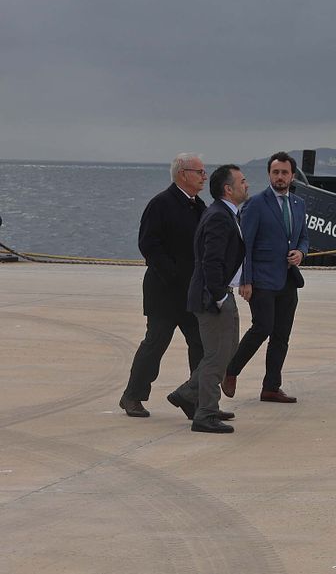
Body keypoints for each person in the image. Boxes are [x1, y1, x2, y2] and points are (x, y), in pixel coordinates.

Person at [117, 154, 208, 418]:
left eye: (205, 172)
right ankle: (132, 396)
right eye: (200, 172)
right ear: (183, 174)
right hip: (165, 290)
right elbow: (148, 244)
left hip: (191, 290)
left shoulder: (199, 206)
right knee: (156, 343)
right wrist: (173, 274)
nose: (204, 176)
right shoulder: (161, 204)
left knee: (201, 345)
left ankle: (196, 399)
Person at [168, 164, 248, 433]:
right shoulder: (218, 216)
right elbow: (211, 261)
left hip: (221, 292)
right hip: (212, 297)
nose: (246, 185)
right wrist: (218, 298)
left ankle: (189, 394)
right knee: (217, 356)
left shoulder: (227, 214)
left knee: (226, 352)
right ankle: (206, 413)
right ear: (228, 189)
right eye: (242, 181)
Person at [224, 152, 309, 404]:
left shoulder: (298, 204)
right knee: (262, 327)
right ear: (269, 175)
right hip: (261, 279)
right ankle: (231, 370)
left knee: (281, 335)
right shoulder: (256, 204)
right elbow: (245, 244)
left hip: (288, 279)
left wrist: (301, 252)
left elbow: (303, 237)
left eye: (284, 172)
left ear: (292, 176)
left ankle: (271, 387)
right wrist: (245, 280)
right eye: (275, 172)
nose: (280, 177)